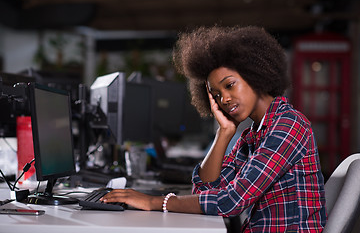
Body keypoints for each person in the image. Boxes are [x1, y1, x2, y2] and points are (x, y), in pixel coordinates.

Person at [101, 25, 327, 232]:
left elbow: (232, 202)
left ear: (256, 74)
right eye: (216, 95)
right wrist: (223, 133)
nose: (224, 99)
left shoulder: (288, 126)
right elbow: (204, 192)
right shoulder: (253, 135)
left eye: (230, 85)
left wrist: (155, 202)